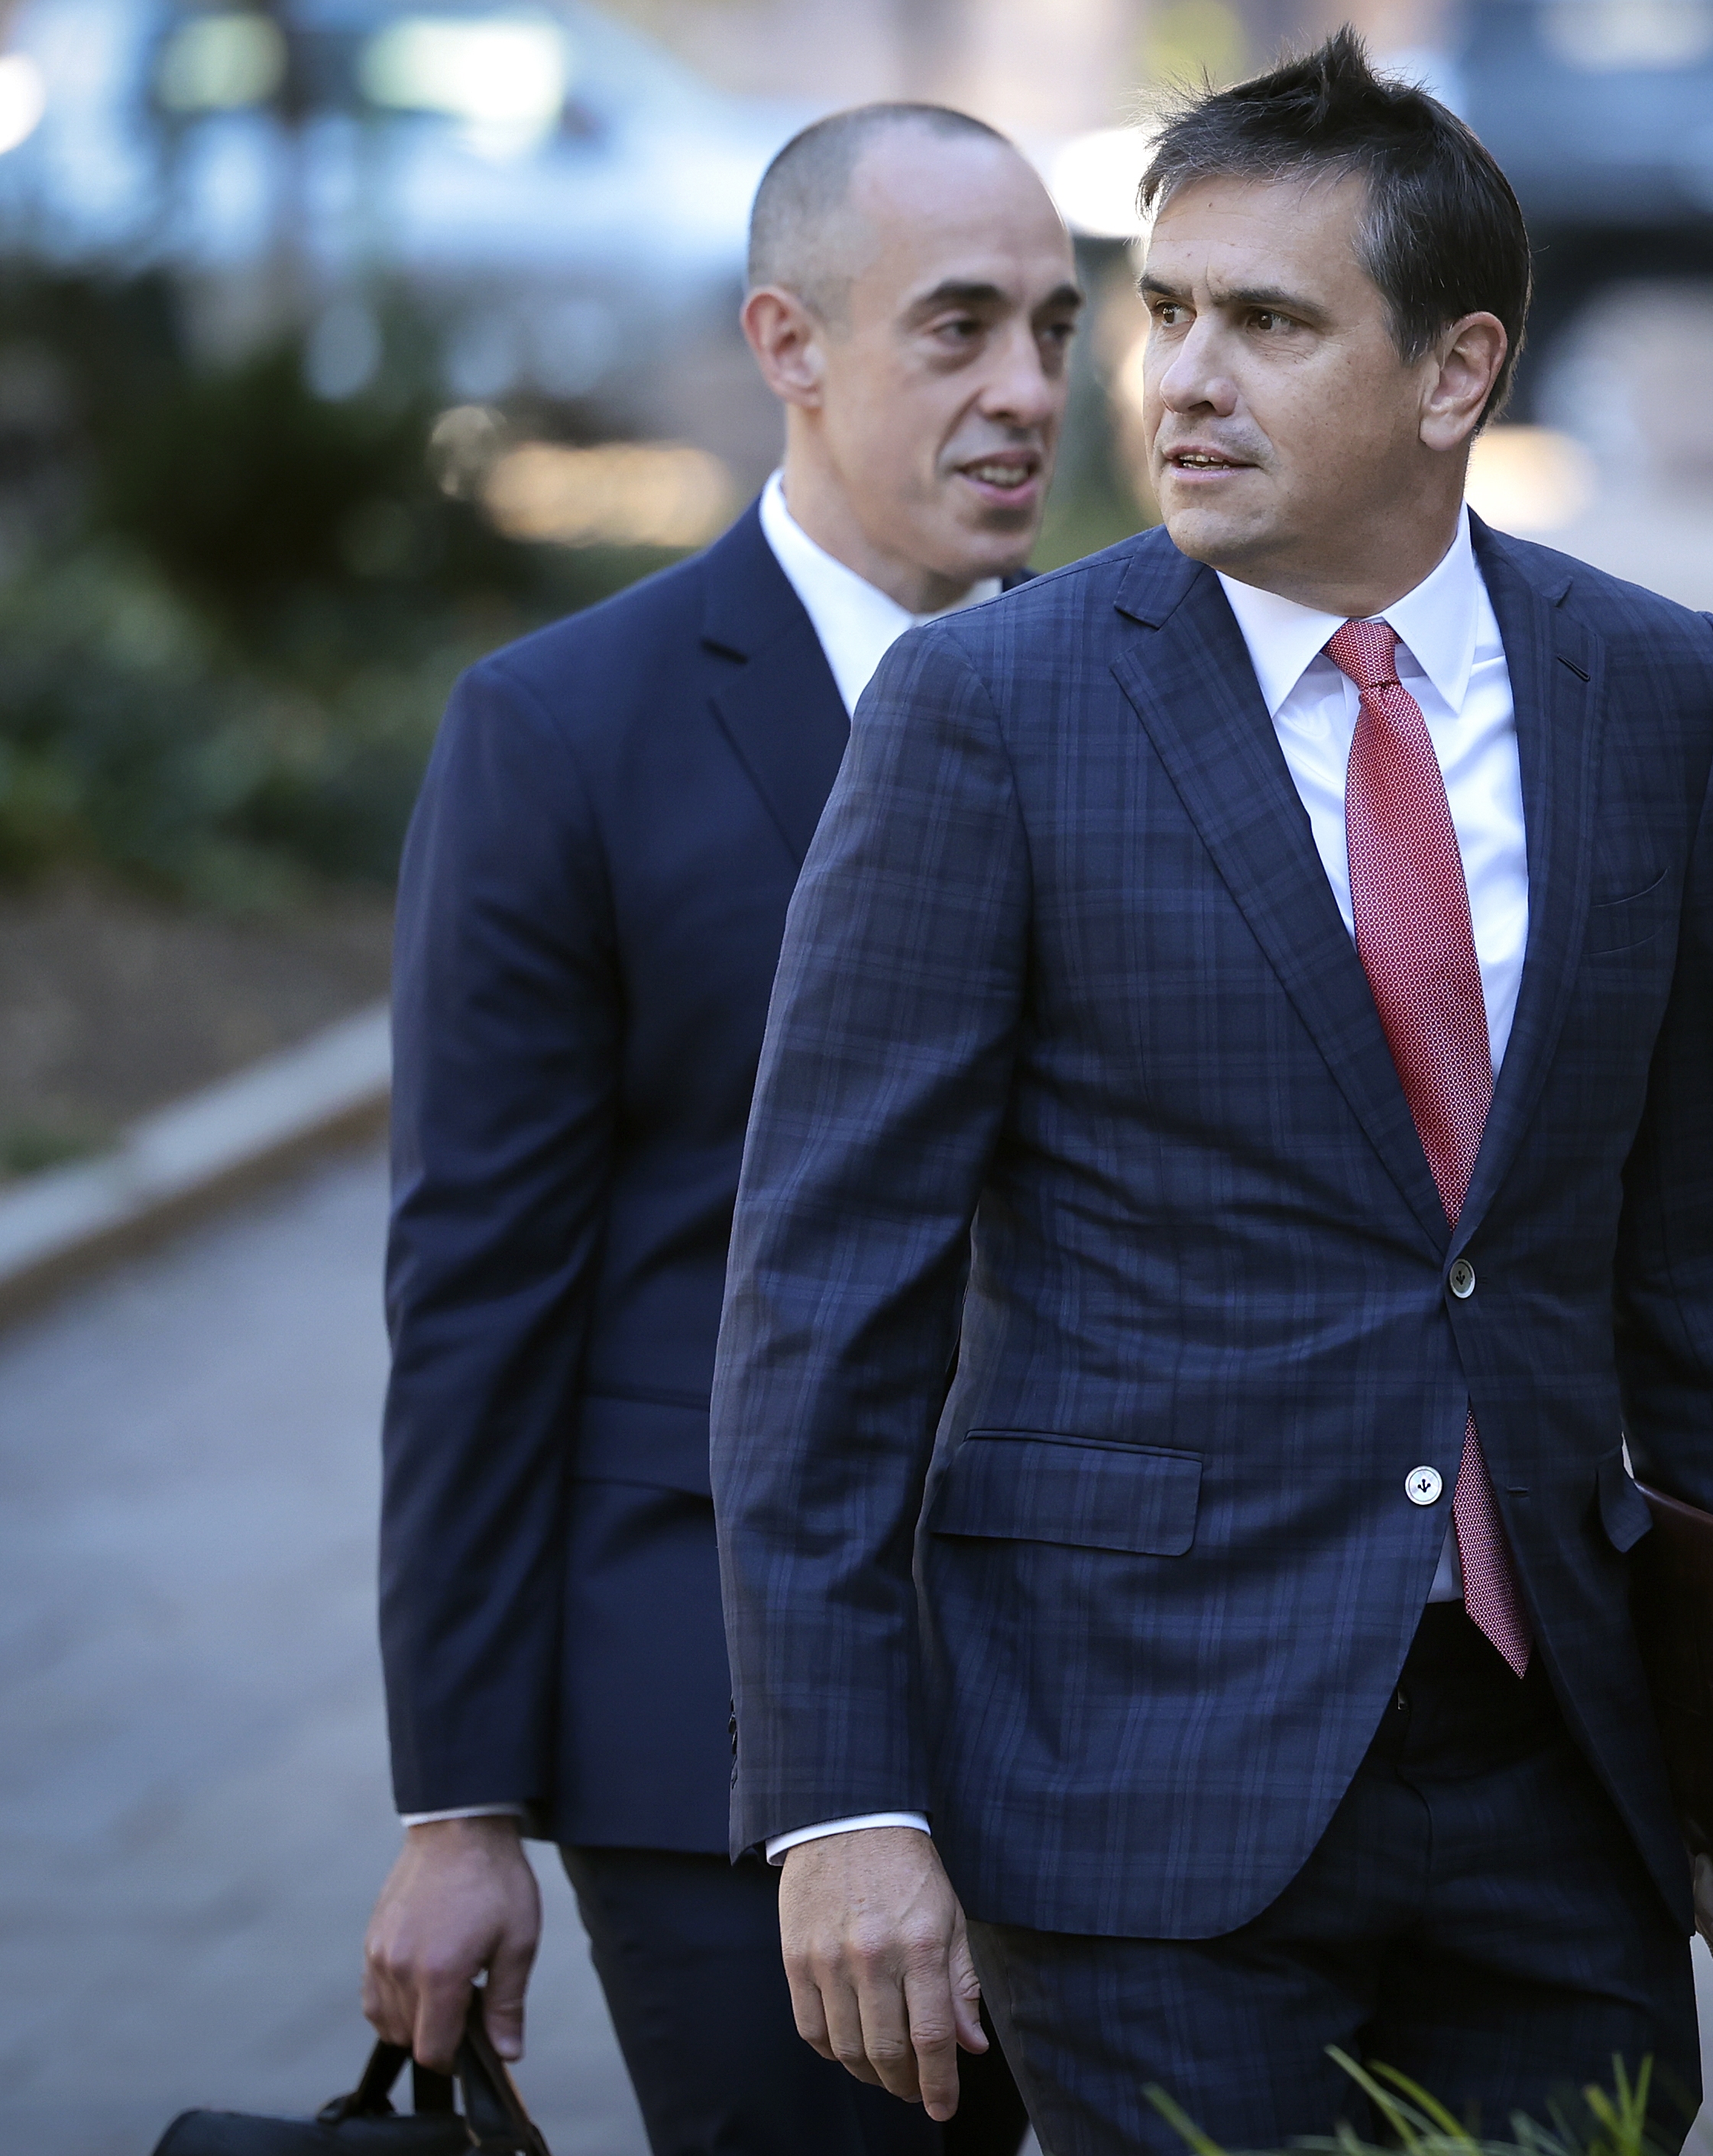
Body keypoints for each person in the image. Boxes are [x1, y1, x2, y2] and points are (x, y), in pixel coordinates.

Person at [706, 33, 1713, 2156]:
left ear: (1453, 374)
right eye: (1164, 311)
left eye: (1264, 322)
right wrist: (840, 1798)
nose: (1174, 377)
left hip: (1569, 1765)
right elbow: (825, 1296)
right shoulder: (987, 714)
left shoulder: (1651, 689)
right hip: (1135, 1777)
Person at [363, 102, 1077, 2156]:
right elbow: (480, 1299)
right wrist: (459, 1808)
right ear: (790, 342)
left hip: (1114, 1702)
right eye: (955, 329)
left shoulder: (1143, 689)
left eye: (1049, 326)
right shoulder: (564, 731)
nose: (1026, 389)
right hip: (716, 1734)